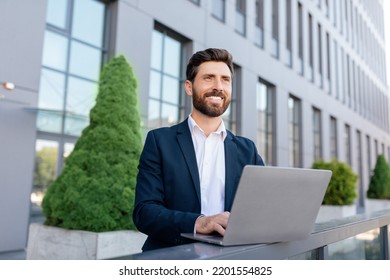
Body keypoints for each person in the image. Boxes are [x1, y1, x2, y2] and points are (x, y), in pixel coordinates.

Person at [133, 48, 265, 251]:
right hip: (172, 259)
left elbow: (262, 207)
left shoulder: (247, 150)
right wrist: (199, 223)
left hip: (230, 261)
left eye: (225, 79)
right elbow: (144, 212)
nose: (218, 87)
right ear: (189, 87)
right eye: (209, 78)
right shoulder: (160, 141)